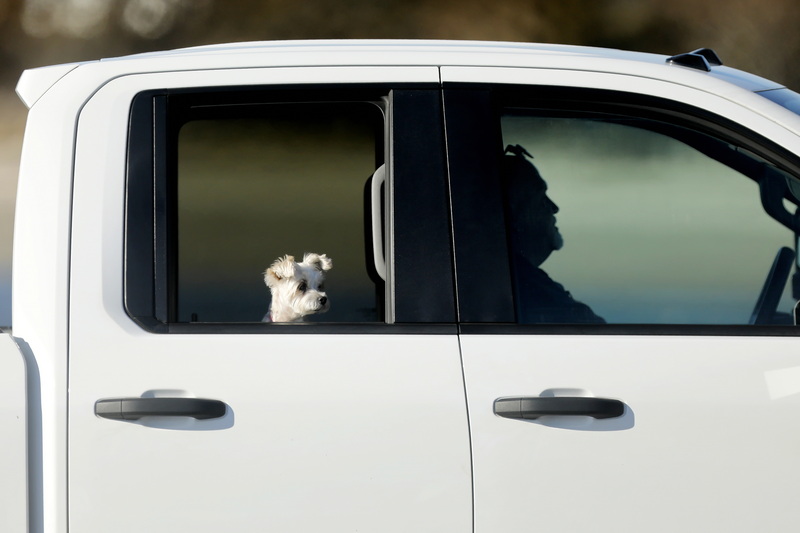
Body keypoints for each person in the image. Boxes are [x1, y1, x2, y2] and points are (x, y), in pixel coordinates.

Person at [501, 144, 604, 324]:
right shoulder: (531, 292)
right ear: (513, 214)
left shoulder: (511, 279)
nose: (554, 208)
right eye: (541, 198)